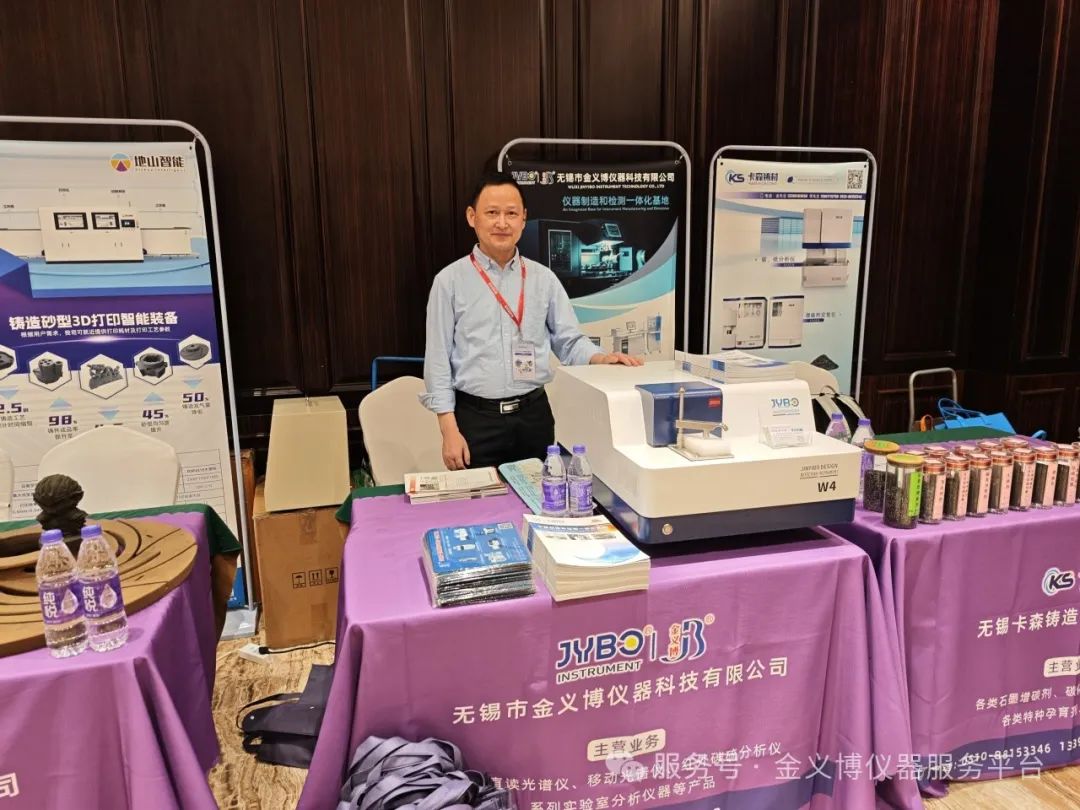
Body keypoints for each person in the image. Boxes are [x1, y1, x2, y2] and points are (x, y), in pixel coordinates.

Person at [421, 171, 642, 471]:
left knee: (539, 495)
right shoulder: (449, 282)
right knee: (483, 499)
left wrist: (600, 358)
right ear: (472, 217)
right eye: (492, 213)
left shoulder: (543, 279)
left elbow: (569, 341)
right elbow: (437, 361)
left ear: (523, 219)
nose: (502, 223)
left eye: (511, 213)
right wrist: (449, 430)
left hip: (534, 417)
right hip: (476, 421)